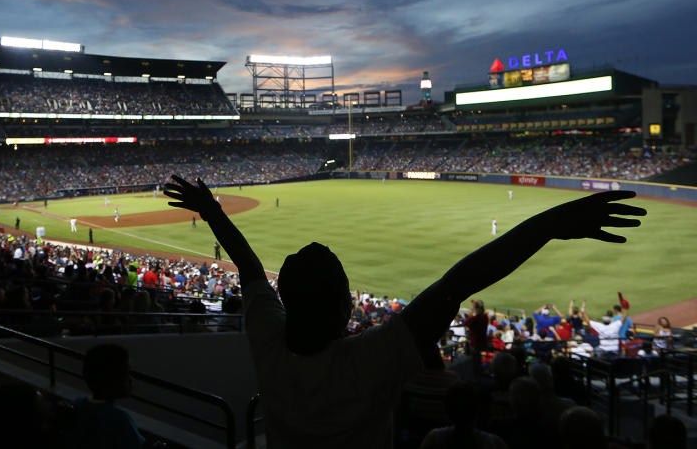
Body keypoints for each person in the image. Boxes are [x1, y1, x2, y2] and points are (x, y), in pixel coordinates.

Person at [164, 175, 644, 448]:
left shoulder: (268, 339)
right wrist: (552, 224)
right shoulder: (369, 359)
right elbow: (459, 283)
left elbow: (249, 268)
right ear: (344, 306)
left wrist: (212, 212)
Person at [67, 344, 145, 449]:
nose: (131, 379)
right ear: (114, 381)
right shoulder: (120, 419)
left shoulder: (78, 404)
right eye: (126, 374)